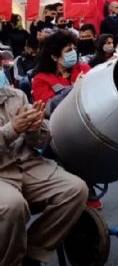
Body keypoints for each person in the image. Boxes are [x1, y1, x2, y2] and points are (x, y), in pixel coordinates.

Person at [0, 88, 88, 266]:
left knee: (75, 189)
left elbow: (40, 141)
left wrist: (35, 129)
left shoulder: (17, 95)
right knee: (12, 205)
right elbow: (13, 131)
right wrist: (12, 129)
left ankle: (33, 252)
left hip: (27, 164)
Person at [31, 31, 91, 104]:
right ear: (55, 57)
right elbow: (48, 107)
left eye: (74, 49)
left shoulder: (83, 68)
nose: (73, 53)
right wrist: (74, 90)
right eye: (68, 50)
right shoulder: (41, 80)